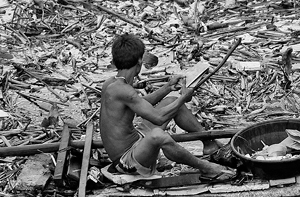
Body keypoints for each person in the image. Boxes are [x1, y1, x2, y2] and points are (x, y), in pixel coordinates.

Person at [100, 33, 235, 180]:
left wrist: (168, 87)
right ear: (139, 61)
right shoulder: (123, 90)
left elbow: (140, 102)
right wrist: (184, 98)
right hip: (126, 161)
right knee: (158, 135)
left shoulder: (112, 83)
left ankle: (209, 145)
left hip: (137, 141)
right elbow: (158, 118)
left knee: (171, 101)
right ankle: (207, 168)